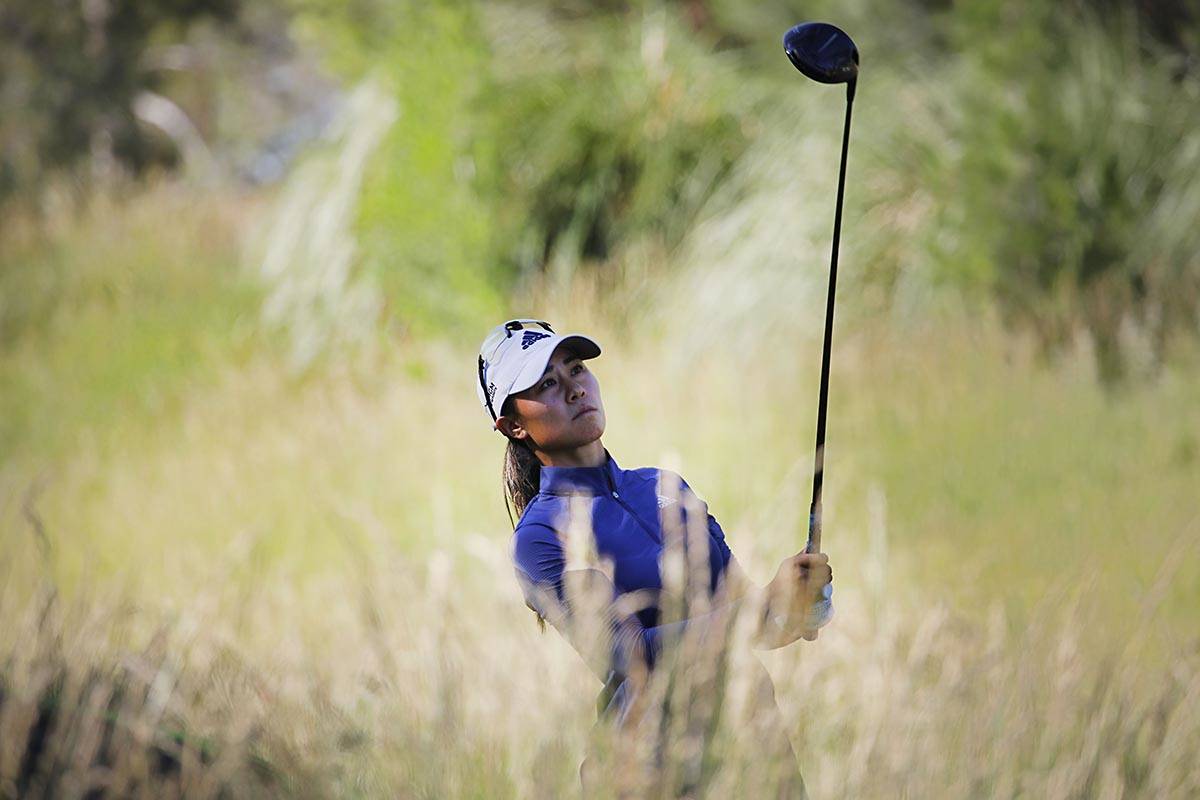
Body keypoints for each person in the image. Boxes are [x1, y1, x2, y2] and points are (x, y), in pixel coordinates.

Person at [475, 318, 833, 796]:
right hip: (649, 772)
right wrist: (765, 604)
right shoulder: (541, 537)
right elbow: (630, 653)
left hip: (756, 753)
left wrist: (806, 599)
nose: (574, 389)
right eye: (547, 383)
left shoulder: (665, 487)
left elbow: (755, 619)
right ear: (513, 425)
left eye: (576, 369)